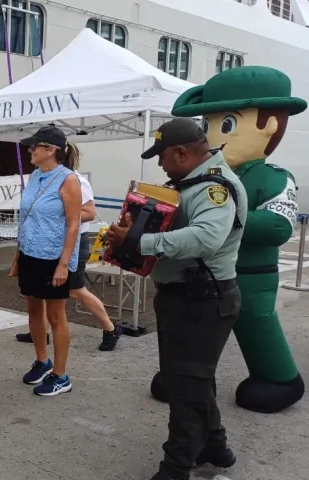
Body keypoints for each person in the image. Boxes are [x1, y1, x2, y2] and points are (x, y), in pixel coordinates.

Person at [105, 118, 247, 480]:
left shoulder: (215, 188)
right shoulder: (192, 184)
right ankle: (216, 448)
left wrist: (138, 242)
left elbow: (205, 238)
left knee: (185, 391)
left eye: (163, 156)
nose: (160, 164)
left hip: (201, 301)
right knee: (192, 382)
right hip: (184, 299)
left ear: (182, 152)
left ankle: (175, 469)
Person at [15, 143, 123, 351]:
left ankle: (110, 327)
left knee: (76, 290)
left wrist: (58, 212)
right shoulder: (41, 177)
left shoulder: (74, 180)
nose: (32, 151)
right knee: (48, 292)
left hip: (73, 242)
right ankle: (39, 330)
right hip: (52, 243)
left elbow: (90, 213)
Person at [14, 126, 82, 397]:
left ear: (51, 150)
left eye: (34, 147)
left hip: (54, 257)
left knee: (55, 315)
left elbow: (74, 225)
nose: (30, 150)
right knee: (33, 309)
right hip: (31, 252)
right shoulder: (35, 176)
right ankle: (43, 361)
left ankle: (61, 374)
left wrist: (64, 264)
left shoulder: (68, 180)